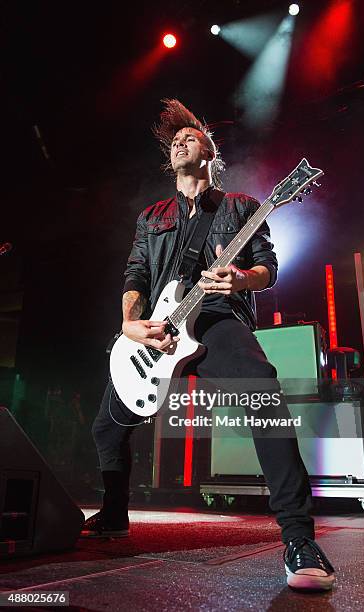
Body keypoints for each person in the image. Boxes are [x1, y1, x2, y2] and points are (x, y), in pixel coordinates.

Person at [82, 99, 335, 591]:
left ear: (210, 150)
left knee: (261, 388)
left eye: (190, 136)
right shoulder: (152, 216)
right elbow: (135, 273)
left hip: (217, 319)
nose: (180, 142)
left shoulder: (242, 208)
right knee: (106, 428)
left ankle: (299, 537)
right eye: (174, 140)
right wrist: (131, 324)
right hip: (158, 331)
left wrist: (241, 279)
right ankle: (113, 515)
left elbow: (268, 268)